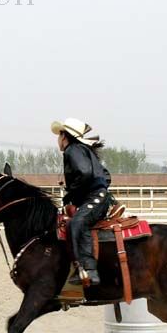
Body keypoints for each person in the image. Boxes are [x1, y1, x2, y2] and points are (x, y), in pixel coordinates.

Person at [51, 118, 112, 286]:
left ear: (64, 137)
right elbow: (106, 176)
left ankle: (90, 270)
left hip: (95, 199)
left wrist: (72, 193)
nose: (57, 140)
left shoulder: (73, 150)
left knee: (76, 223)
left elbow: (84, 173)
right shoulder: (84, 151)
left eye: (59, 136)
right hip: (97, 198)